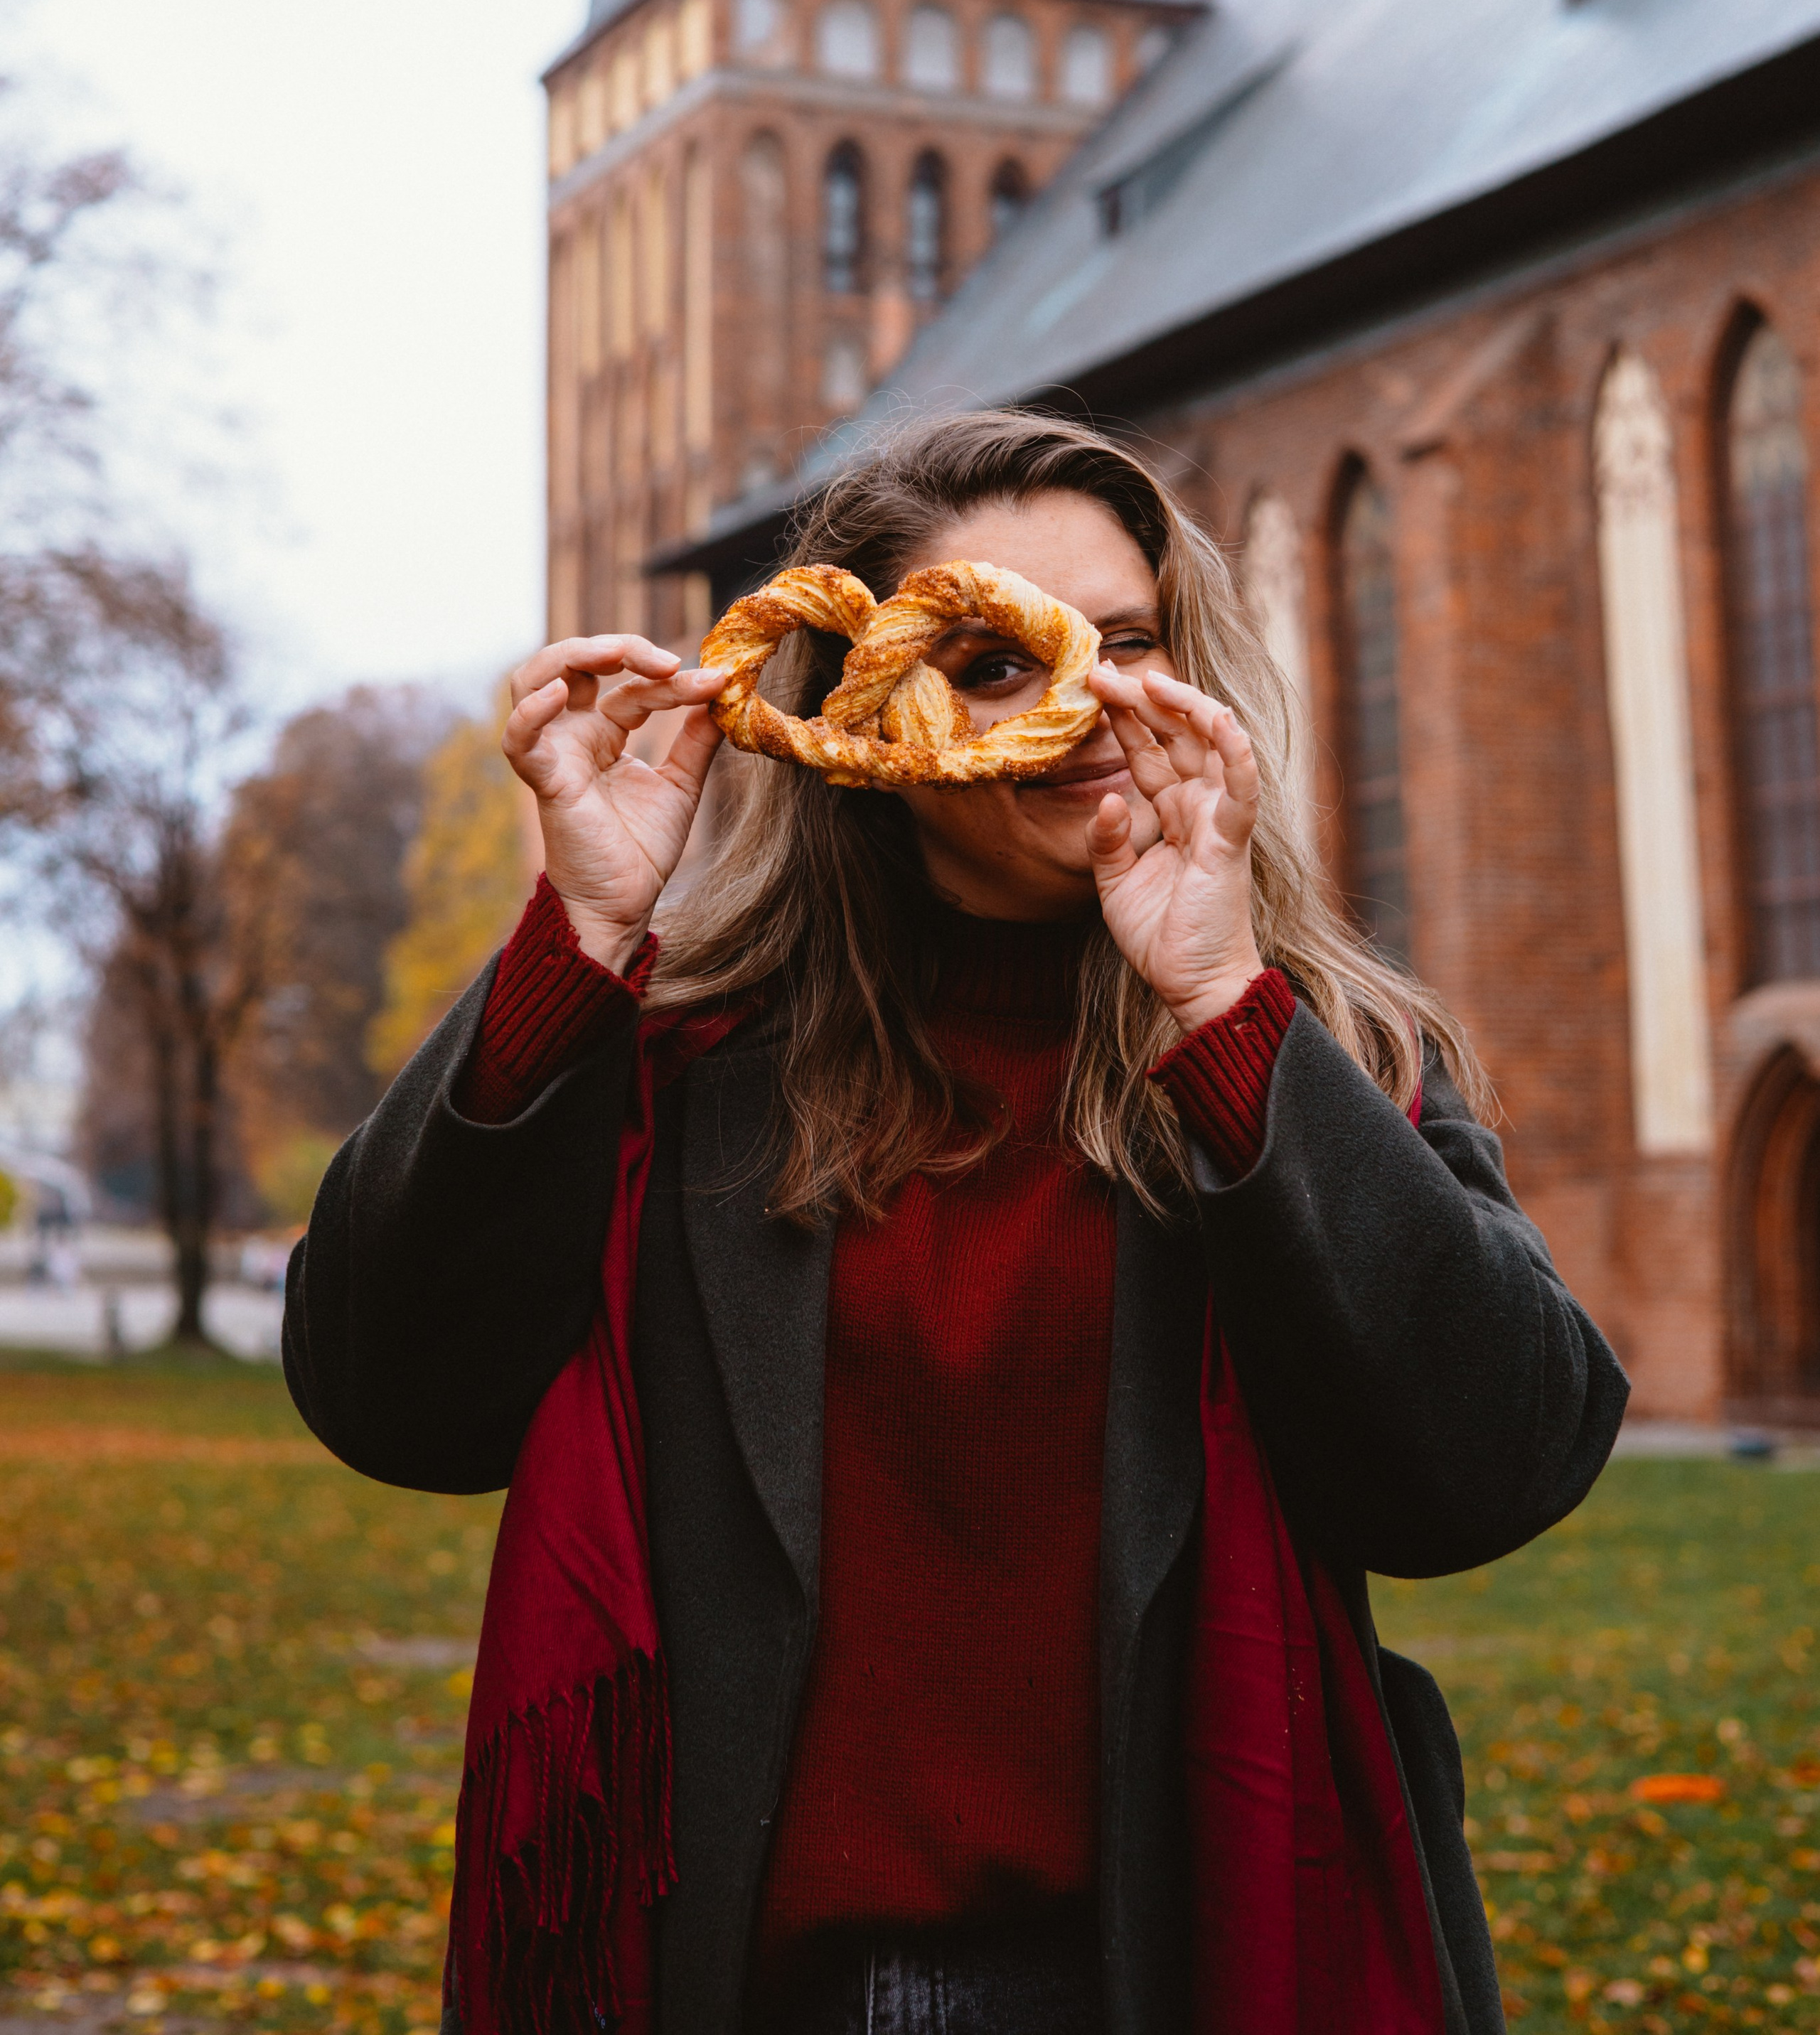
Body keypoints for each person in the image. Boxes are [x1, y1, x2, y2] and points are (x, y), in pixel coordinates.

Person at [284, 411, 1626, 2035]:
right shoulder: (679, 1067)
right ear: (859, 710)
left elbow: (1490, 1468)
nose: (1080, 706)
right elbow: (390, 1393)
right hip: (746, 1979)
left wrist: (1214, 1005)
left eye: (1123, 643)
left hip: (1189, 1961)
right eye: (990, 666)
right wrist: (580, 933)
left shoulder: (1311, 1053)